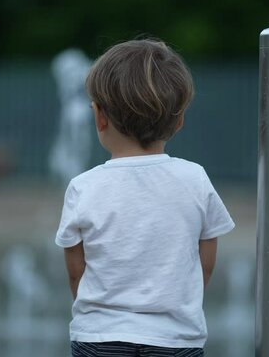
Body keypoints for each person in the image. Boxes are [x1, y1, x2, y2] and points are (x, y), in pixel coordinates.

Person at [55, 38, 235, 357]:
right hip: (176, 338)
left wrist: (97, 314)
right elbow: (206, 258)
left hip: (100, 337)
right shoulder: (194, 179)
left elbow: (75, 269)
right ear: (179, 121)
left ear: (99, 117)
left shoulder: (84, 186)